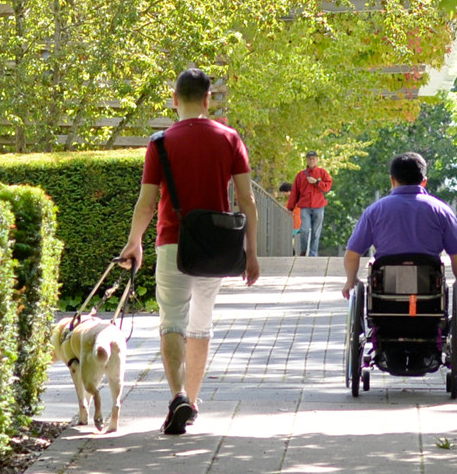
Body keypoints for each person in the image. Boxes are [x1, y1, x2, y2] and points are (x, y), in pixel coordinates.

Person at [118, 68, 260, 435]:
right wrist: (252, 253)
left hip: (172, 243)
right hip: (214, 247)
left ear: (175, 98)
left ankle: (178, 396)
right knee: (201, 325)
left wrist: (134, 243)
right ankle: (192, 404)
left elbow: (147, 203)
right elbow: (247, 199)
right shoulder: (229, 138)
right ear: (208, 99)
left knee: (172, 323)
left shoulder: (160, 143)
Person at [342, 152, 457, 302]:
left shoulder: (375, 211)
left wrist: (351, 280)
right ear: (424, 181)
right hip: (428, 294)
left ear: (392, 180)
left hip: (386, 295)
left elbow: (352, 255)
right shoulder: (442, 211)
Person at [286, 151, 332, 256]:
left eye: (314, 158)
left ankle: (312, 253)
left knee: (316, 232)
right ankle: (303, 250)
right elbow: (294, 193)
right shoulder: (300, 175)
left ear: (317, 160)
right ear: (306, 160)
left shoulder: (322, 173)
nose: (312, 160)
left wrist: (316, 182)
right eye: (310, 158)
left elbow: (328, 186)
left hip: (319, 206)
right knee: (304, 230)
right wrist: (290, 207)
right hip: (305, 206)